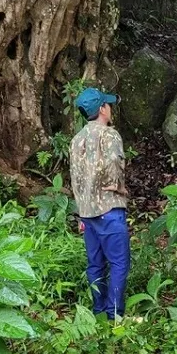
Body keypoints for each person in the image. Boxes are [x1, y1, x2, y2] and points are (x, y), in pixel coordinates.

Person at [70, 88, 130, 320]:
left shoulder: (77, 140)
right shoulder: (109, 135)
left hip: (87, 212)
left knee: (95, 264)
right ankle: (115, 315)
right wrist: (118, 185)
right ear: (102, 109)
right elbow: (115, 159)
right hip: (109, 209)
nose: (110, 109)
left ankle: (98, 313)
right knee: (118, 264)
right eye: (108, 105)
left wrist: (80, 211)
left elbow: (75, 176)